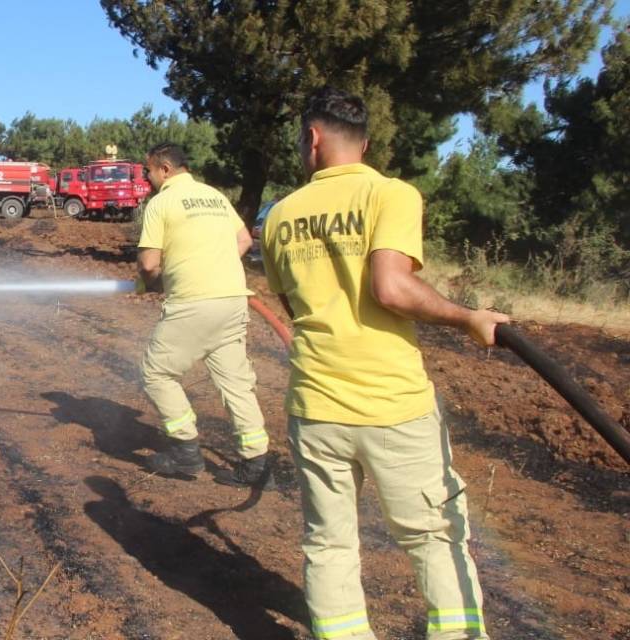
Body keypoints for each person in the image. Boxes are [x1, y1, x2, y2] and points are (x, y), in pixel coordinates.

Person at [262, 86, 507, 640]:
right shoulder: (391, 194)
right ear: (365, 143)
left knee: (328, 543)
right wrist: (468, 318)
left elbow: (293, 306)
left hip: (316, 407)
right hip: (393, 406)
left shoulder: (280, 216)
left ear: (313, 137)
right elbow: (392, 289)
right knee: (433, 536)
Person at [135, 142, 269, 485]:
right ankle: (256, 464)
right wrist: (212, 265)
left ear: (164, 169)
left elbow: (149, 265)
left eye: (148, 170)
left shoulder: (161, 203)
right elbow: (244, 241)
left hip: (194, 304)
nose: (147, 178)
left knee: (156, 373)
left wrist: (156, 282)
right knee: (236, 384)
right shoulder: (215, 196)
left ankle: (185, 453)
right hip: (232, 301)